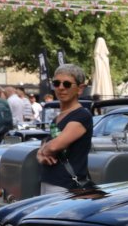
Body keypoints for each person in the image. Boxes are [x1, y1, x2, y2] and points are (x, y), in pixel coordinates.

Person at [37, 65, 94, 194]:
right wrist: (41, 154)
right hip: (48, 181)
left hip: (67, 186)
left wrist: (42, 151)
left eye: (67, 84)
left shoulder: (82, 115)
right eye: (56, 83)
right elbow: (48, 143)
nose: (61, 87)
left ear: (80, 88)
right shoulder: (56, 119)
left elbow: (54, 146)